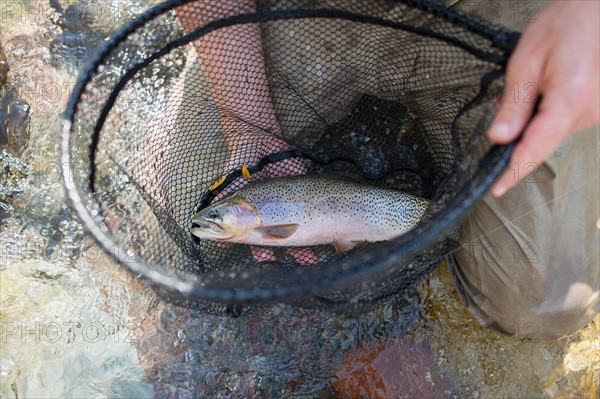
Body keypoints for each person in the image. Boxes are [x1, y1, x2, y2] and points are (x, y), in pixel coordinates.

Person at [176, 0, 599, 340]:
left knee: (546, 301)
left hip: (502, 22)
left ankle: (445, 219)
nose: (213, 220)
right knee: (183, 212)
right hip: (310, 14)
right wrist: (250, 128)